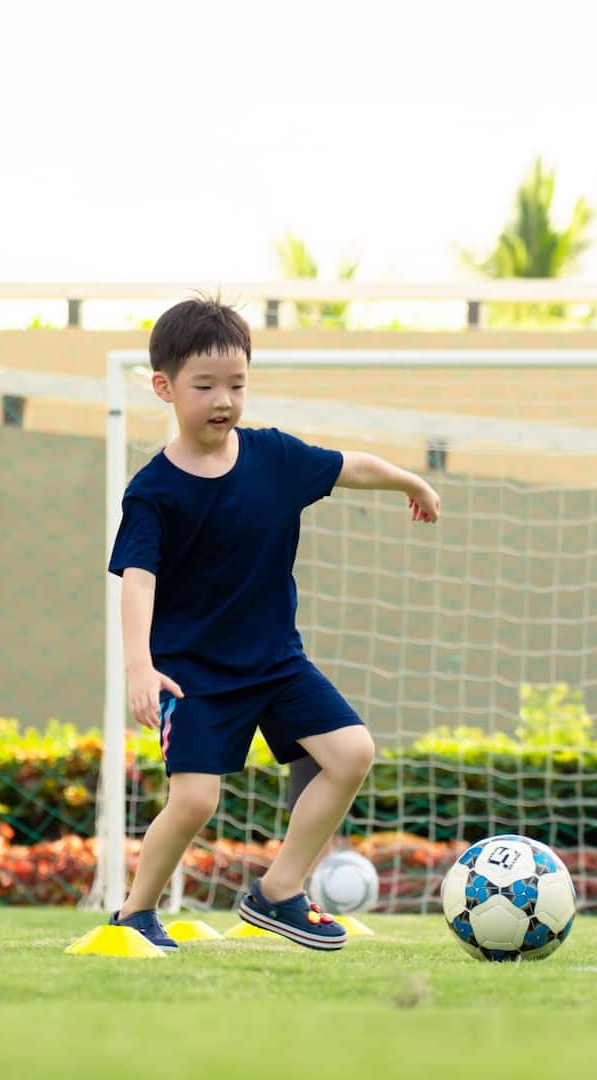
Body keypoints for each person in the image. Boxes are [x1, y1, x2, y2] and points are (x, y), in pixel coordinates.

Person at [105, 297, 440, 951]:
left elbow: (354, 467)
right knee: (197, 800)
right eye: (205, 386)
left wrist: (412, 483)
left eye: (237, 384)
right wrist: (140, 665)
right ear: (164, 387)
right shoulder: (153, 492)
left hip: (277, 662)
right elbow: (136, 581)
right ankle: (135, 912)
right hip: (192, 674)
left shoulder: (274, 458)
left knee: (351, 753)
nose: (224, 399)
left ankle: (279, 893)